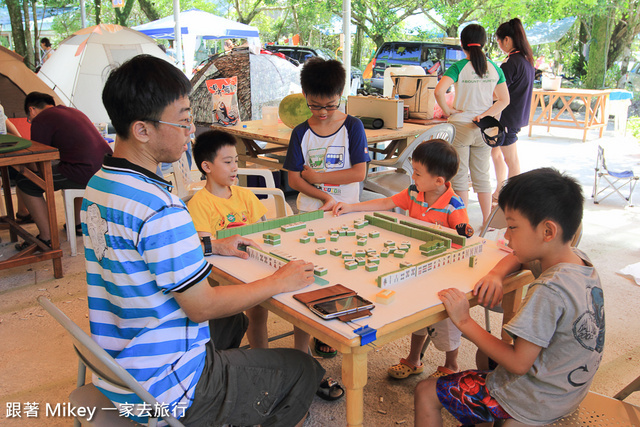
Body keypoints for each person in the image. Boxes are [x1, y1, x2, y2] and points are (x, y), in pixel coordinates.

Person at [83, 54, 325, 426]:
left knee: (234, 325)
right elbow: (201, 306)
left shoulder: (100, 185)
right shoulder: (161, 207)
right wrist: (279, 280)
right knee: (303, 368)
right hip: (163, 386)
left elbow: (136, 251)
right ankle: (215, 404)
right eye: (182, 122)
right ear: (142, 130)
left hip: (119, 362)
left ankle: (230, 385)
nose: (190, 132)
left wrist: (212, 246)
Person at [414, 167, 604, 426]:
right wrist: (495, 274)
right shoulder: (579, 262)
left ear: (547, 232)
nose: (506, 235)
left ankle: (495, 410)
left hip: (534, 400)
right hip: (566, 389)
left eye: (513, 227)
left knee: (425, 391)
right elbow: (518, 256)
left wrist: (464, 321)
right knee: (485, 356)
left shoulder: (550, 290)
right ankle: (483, 415)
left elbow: (517, 363)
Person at [334, 139, 474, 379]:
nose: (413, 177)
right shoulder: (413, 192)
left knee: (446, 321)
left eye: (418, 173)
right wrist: (352, 207)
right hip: (414, 264)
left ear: (439, 181)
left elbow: (465, 236)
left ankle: (451, 366)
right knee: (417, 313)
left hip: (442, 272)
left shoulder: (454, 205)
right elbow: (387, 202)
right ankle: (413, 359)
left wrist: (463, 231)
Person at [284, 56, 370, 357]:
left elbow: (359, 173)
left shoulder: (353, 127)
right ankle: (306, 341)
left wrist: (321, 177)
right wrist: (323, 195)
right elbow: (294, 180)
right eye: (315, 105)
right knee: (308, 278)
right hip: (311, 213)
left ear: (341, 97)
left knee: (344, 274)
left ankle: (334, 331)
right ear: (305, 97)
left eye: (330, 106)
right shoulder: (301, 133)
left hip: (346, 213)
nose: (322, 112)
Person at [14, 92, 112, 250]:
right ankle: (77, 224)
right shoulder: (71, 111)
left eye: (28, 117)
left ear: (31, 110)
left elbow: (37, 163)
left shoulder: (41, 118)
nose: (30, 120)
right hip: (105, 168)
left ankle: (47, 238)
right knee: (69, 168)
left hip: (84, 171)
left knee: (25, 181)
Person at [434, 24, 510, 227]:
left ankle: (463, 222)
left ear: (462, 44)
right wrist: (484, 115)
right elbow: (504, 100)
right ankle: (487, 222)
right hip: (484, 128)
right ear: (484, 43)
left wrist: (448, 111)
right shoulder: (495, 68)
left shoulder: (458, 67)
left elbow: (439, 91)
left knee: (460, 177)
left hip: (460, 127)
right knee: (482, 176)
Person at [491, 18, 535, 204]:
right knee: (496, 153)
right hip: (517, 116)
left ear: (507, 40)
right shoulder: (526, 61)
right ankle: (500, 189)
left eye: (499, 41)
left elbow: (497, 92)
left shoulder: (510, 64)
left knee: (511, 159)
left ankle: (513, 197)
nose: (499, 45)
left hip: (507, 117)